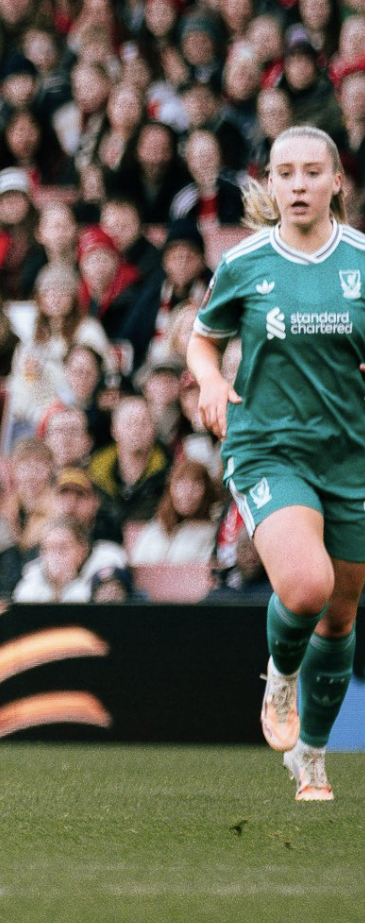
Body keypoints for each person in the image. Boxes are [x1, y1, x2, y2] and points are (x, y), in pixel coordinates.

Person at [189, 125, 365, 800]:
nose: (297, 184)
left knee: (342, 615)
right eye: (285, 173)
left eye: (311, 172)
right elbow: (204, 342)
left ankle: (313, 758)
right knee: (306, 585)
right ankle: (280, 674)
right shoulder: (247, 263)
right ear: (270, 182)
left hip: (350, 454)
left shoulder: (360, 262)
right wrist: (208, 380)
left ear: (335, 182)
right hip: (269, 447)